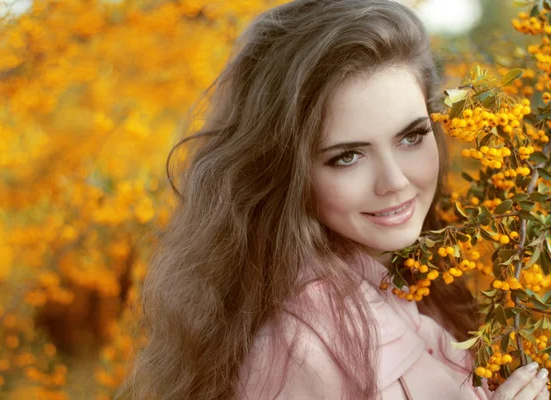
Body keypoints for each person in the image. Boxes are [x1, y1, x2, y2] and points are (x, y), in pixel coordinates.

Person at [122, 0, 550, 399]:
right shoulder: (298, 351)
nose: (395, 182)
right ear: (286, 171)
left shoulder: (431, 278)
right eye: (346, 156)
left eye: (412, 136)